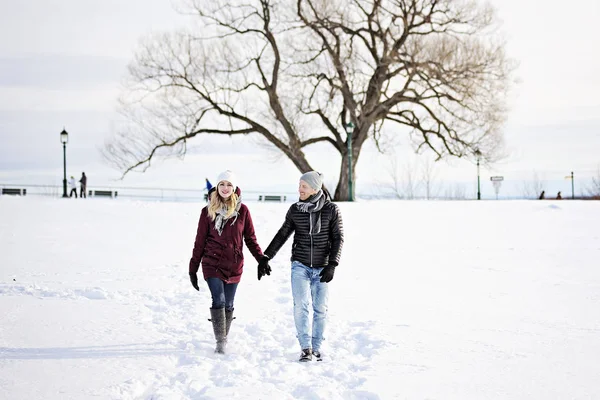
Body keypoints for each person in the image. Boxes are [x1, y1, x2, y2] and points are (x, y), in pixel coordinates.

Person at [257, 171, 344, 362]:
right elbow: (283, 234)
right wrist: (266, 256)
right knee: (300, 306)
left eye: (304, 186)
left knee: (320, 308)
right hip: (300, 265)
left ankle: (317, 346)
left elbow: (338, 238)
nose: (300, 190)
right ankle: (306, 348)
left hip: (322, 266)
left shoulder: (331, 210)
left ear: (315, 188)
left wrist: (332, 264)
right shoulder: (296, 209)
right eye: (299, 186)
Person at [189, 170, 264, 354]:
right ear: (217, 187)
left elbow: (250, 238)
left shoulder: (243, 211)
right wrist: (193, 269)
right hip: (212, 263)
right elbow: (199, 242)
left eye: (229, 184)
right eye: (222, 184)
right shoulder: (207, 211)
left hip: (234, 265)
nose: (225, 188)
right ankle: (220, 342)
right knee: (219, 299)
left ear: (234, 188)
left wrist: (261, 259)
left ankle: (224, 336)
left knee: (229, 304)